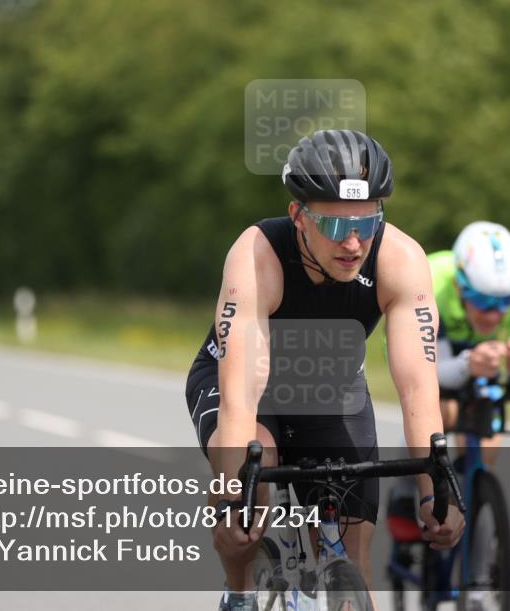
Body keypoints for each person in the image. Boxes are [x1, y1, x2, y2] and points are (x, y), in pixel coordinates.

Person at [185, 129, 464, 611]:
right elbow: (240, 397)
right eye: (335, 227)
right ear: (299, 217)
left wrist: (435, 491)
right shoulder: (256, 256)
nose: (354, 242)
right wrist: (234, 498)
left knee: (354, 559)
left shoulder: (401, 260)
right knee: (257, 473)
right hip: (245, 385)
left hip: (331, 388)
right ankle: (239, 591)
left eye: (367, 222)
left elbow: (419, 387)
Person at [428, 221, 510, 466]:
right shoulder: (430, 281)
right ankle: (407, 491)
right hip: (441, 347)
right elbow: (424, 375)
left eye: (506, 301)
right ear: (458, 286)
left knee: (487, 429)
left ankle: (476, 487)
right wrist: (468, 364)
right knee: (440, 413)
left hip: (485, 358)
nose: (493, 314)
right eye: (481, 300)